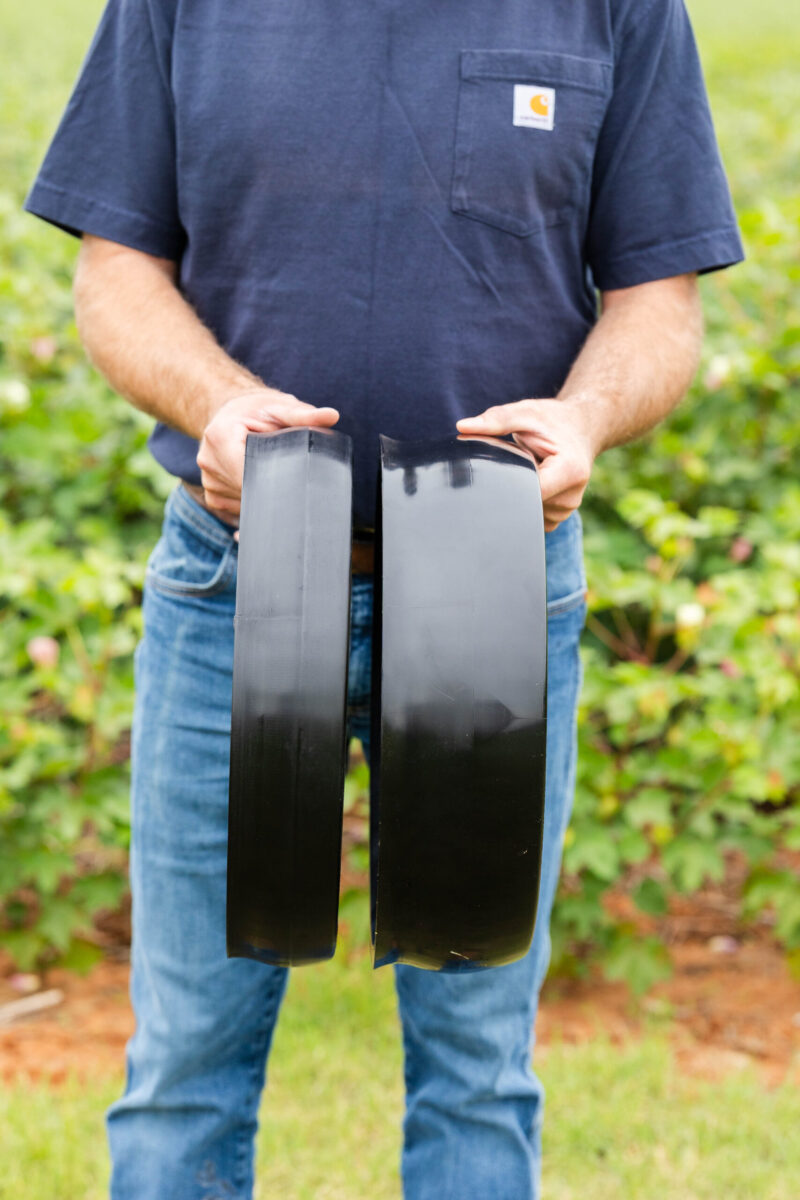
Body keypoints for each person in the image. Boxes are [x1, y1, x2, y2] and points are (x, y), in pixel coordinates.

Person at [25, 1, 743, 1196]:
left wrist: (583, 419)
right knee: (184, 1060)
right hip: (233, 580)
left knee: (477, 1066)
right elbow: (115, 268)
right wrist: (212, 403)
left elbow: (657, 301)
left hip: (494, 585)